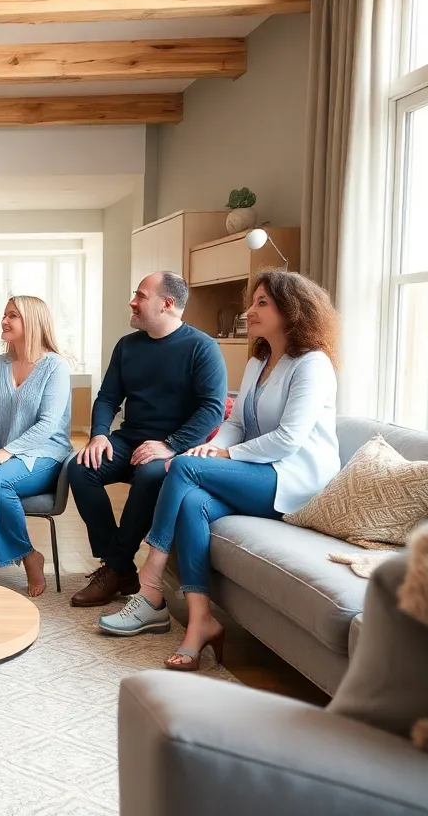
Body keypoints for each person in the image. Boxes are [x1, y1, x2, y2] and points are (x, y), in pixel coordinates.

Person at [99, 271, 341, 670]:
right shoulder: (259, 361)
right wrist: (214, 446)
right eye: (254, 301)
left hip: (296, 480)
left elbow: (288, 440)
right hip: (259, 470)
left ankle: (151, 581)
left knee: (183, 467)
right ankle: (201, 622)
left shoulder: (312, 365)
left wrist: (222, 458)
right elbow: (237, 423)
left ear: (291, 309)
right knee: (192, 501)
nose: (251, 310)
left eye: (262, 303)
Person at [66, 271, 227, 608]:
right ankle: (120, 566)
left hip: (174, 447)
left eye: (140, 295)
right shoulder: (127, 346)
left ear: (167, 304)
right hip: (129, 440)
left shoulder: (202, 347)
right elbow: (108, 397)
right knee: (80, 468)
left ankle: (114, 568)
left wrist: (171, 444)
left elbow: (211, 409)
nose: (132, 302)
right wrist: (98, 435)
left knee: (152, 474)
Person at [0, 296, 72, 597]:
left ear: (33, 322)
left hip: (44, 456)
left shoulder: (55, 367)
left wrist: (7, 451)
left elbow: (49, 424)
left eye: (13, 316)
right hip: (1, 458)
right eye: (4, 314)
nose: (4, 321)